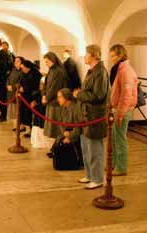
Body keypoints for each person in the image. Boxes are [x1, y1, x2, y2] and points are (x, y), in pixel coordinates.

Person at [73, 45, 110, 190]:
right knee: (86, 147)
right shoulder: (92, 71)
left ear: (94, 55)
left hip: (94, 115)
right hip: (85, 115)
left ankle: (97, 178)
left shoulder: (100, 72)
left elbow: (98, 95)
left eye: (86, 54)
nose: (84, 57)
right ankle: (89, 175)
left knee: (95, 149)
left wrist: (78, 94)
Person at [110, 44, 138, 176]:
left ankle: (121, 168)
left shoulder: (126, 71)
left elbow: (126, 95)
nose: (111, 58)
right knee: (115, 138)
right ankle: (115, 164)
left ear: (121, 55)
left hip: (123, 110)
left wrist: (120, 113)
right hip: (118, 109)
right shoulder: (120, 70)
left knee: (120, 139)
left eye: (114, 56)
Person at [42, 52, 68, 140]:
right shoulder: (51, 70)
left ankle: (58, 146)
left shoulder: (59, 71)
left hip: (56, 101)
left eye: (47, 62)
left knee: (57, 126)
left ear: (53, 60)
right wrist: (44, 95)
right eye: (45, 62)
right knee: (51, 126)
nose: (46, 64)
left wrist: (47, 97)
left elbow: (55, 87)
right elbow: (46, 84)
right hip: (50, 100)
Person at [0, 37, 13, 122]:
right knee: (0, 97)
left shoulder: (2, 53)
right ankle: (2, 114)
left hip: (2, 80)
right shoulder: (0, 53)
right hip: (0, 79)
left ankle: (3, 116)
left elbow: (3, 67)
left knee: (2, 97)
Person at [19, 60, 42, 138]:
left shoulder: (35, 74)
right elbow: (21, 82)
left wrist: (25, 89)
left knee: (30, 113)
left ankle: (30, 130)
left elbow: (36, 86)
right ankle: (27, 128)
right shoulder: (24, 73)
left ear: (27, 67)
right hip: (24, 96)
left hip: (32, 96)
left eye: (23, 68)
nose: (22, 70)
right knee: (24, 112)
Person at [7, 56, 25, 131]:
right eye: (15, 61)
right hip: (11, 94)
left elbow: (21, 82)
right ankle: (16, 125)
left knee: (19, 111)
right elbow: (8, 79)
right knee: (14, 111)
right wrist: (8, 85)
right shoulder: (13, 70)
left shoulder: (22, 72)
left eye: (18, 61)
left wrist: (13, 87)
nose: (15, 63)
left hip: (17, 93)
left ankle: (21, 126)